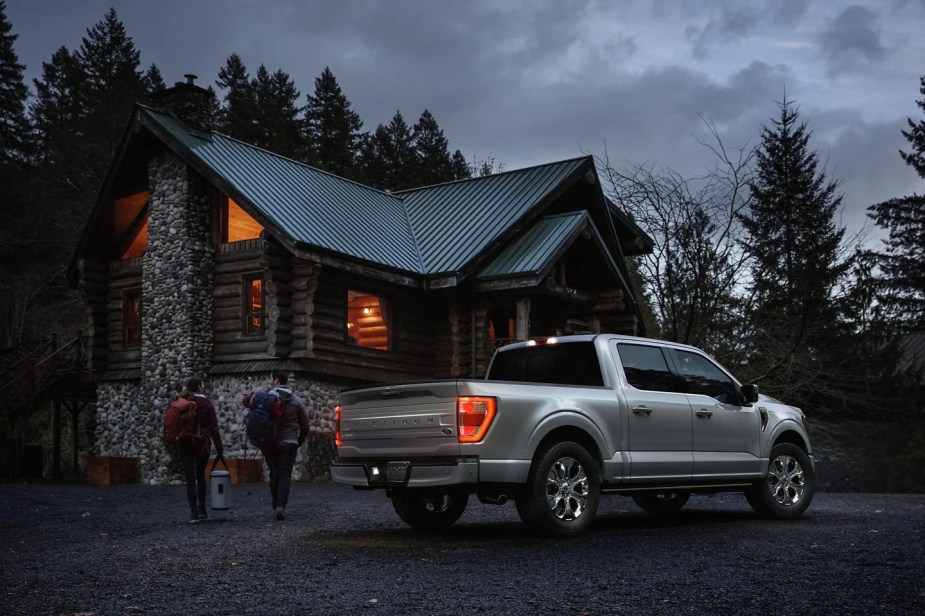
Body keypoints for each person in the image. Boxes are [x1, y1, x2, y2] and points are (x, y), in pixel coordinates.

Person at [261, 371, 310, 521]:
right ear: (286, 381)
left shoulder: (267, 398)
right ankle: (281, 506)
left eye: (271, 379)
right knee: (285, 474)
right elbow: (305, 425)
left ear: (275, 380)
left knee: (274, 472)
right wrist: (299, 440)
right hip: (290, 443)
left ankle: (275, 504)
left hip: (272, 443)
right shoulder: (296, 401)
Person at [177, 377, 224, 524]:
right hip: (202, 442)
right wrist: (219, 447)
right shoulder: (207, 404)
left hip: (185, 442)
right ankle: (203, 510)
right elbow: (214, 428)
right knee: (200, 476)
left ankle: (193, 513)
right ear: (200, 386)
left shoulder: (182, 403)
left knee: (190, 478)